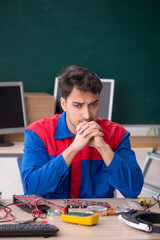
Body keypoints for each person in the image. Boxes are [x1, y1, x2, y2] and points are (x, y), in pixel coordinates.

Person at [21, 65, 143, 199]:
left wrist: (103, 148)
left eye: (93, 104)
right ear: (63, 104)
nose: (87, 115)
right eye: (78, 106)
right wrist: (73, 149)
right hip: (53, 217)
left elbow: (133, 190)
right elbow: (31, 190)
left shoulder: (117, 134)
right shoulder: (38, 133)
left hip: (100, 217)